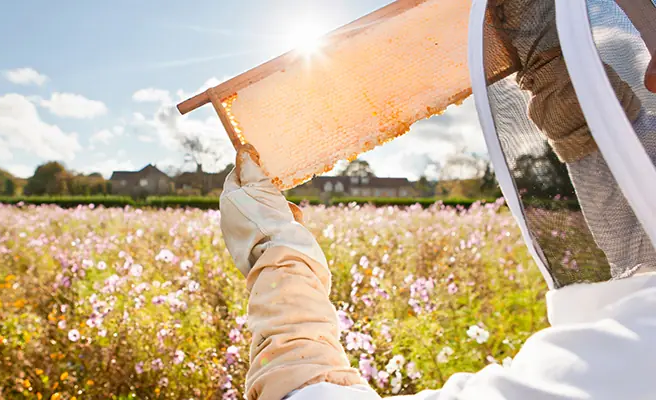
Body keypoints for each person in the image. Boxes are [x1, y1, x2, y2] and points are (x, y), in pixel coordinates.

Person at [218, 15, 656, 397]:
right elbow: (636, 210)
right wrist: (563, 72)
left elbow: (306, 394)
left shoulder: (632, 354)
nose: (650, 75)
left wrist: (278, 254)